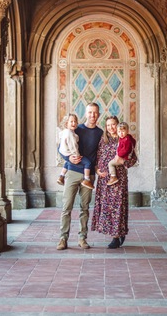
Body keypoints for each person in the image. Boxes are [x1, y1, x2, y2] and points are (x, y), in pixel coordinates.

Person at [57, 102, 103, 251]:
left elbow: (101, 154)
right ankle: (63, 238)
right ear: (85, 113)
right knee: (67, 207)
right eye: (90, 112)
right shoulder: (77, 128)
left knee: (85, 208)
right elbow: (61, 146)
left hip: (88, 176)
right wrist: (67, 158)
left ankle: (82, 238)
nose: (92, 115)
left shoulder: (100, 133)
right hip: (72, 171)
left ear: (98, 114)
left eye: (95, 113)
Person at [91, 116, 137, 249]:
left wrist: (124, 162)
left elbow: (133, 159)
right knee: (107, 207)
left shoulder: (125, 139)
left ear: (117, 125)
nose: (111, 127)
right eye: (108, 125)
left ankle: (116, 236)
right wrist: (97, 170)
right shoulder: (103, 140)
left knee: (117, 207)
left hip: (119, 180)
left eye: (113, 124)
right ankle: (115, 232)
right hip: (105, 179)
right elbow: (98, 156)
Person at [57, 113, 93, 190]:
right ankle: (87, 179)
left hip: (65, 152)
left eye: (75, 121)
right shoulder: (70, 133)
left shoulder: (65, 132)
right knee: (88, 163)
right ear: (66, 123)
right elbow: (73, 146)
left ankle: (61, 176)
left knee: (67, 162)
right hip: (70, 153)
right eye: (71, 121)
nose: (74, 123)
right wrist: (77, 155)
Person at [107, 121, 136, 186]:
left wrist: (118, 155)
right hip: (122, 158)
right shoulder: (124, 138)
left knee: (110, 163)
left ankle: (113, 176)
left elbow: (125, 149)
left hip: (123, 158)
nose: (121, 133)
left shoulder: (126, 140)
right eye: (119, 132)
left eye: (123, 131)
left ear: (127, 131)